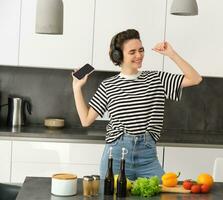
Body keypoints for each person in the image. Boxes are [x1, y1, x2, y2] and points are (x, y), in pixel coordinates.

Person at [72, 29, 202, 181]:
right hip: (116, 155)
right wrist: (77, 88)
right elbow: (86, 120)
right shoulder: (109, 85)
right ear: (118, 56)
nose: (139, 55)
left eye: (141, 50)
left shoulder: (156, 79)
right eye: (132, 52)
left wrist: (172, 54)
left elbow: (195, 79)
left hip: (148, 157)